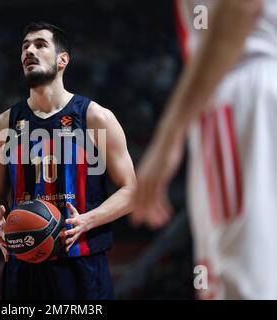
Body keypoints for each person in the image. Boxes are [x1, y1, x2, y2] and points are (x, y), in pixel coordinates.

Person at [131, 0, 277, 299]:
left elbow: (241, 6)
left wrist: (169, 135)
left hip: (243, 89)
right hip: (256, 87)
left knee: (240, 286)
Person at [0, 22, 136, 299]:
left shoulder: (95, 117)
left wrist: (88, 220)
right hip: (24, 263)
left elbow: (132, 191)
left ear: (62, 60)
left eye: (40, 45)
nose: (29, 50)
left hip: (81, 264)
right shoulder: (1, 125)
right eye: (25, 46)